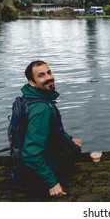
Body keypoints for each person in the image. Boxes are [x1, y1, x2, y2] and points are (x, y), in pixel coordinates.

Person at [18, 60, 82, 198]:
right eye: (41, 75)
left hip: (35, 159)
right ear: (32, 82)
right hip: (37, 171)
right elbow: (30, 154)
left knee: (73, 146)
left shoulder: (33, 98)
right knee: (75, 151)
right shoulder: (41, 110)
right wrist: (52, 183)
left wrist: (69, 139)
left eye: (49, 72)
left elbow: (53, 130)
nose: (48, 77)